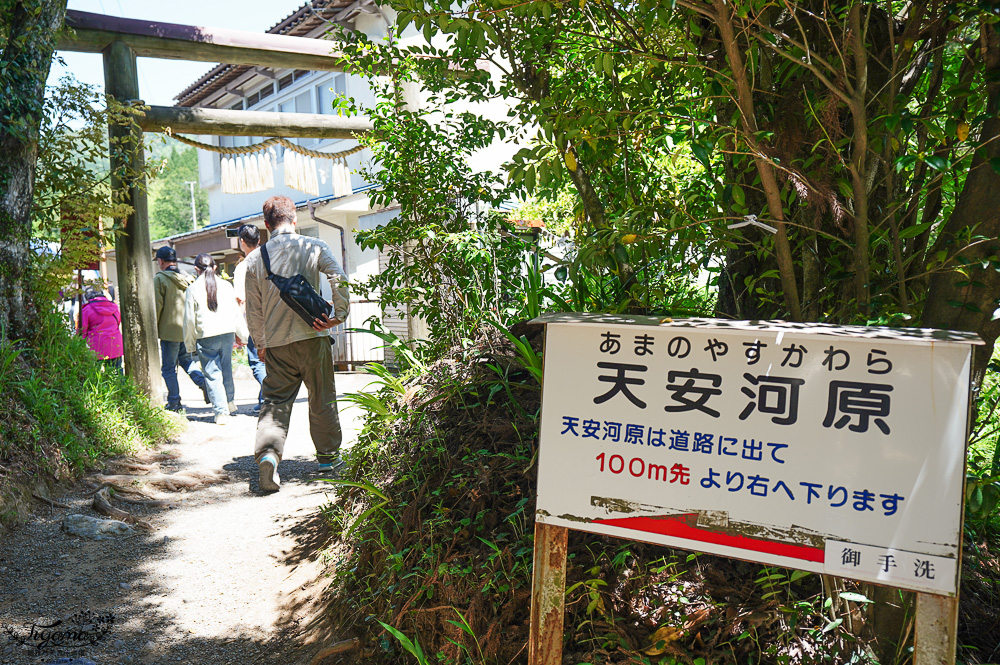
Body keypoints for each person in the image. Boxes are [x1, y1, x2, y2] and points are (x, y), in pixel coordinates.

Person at [244, 195, 350, 492]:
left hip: (277, 344)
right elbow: (338, 277)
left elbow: (253, 310)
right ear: (295, 220)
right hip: (313, 336)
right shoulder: (313, 246)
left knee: (275, 403)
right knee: (322, 398)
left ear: (266, 226)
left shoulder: (254, 259)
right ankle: (328, 460)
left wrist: (261, 344)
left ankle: (268, 456)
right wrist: (337, 314)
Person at [183, 253, 249, 425]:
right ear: (214, 267)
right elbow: (236, 312)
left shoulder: (192, 289)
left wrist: (190, 345)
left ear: (197, 269)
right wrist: (243, 335)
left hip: (206, 336)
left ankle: (221, 412)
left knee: (212, 373)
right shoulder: (227, 286)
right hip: (227, 333)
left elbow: (189, 320)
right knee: (226, 368)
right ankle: (229, 403)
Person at [154, 246, 209, 412]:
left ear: (160, 261)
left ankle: (174, 402)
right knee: (187, 361)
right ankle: (204, 383)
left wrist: (153, 330)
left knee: (168, 368)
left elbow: (157, 306)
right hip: (187, 330)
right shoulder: (188, 279)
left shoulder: (160, 279)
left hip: (169, 331)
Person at [233, 224, 267, 416]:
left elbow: (240, 299)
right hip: (273, 317)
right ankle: (264, 400)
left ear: (242, 242)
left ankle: (270, 397)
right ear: (259, 240)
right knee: (268, 362)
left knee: (256, 363)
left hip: (254, 320)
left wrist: (240, 329)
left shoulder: (243, 267)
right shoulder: (269, 261)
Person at [79, 286, 124, 371]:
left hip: (97, 347)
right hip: (115, 344)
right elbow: (118, 322)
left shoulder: (87, 309)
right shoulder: (114, 307)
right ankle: (121, 384)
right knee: (117, 372)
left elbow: (82, 331)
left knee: (96, 374)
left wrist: (80, 345)